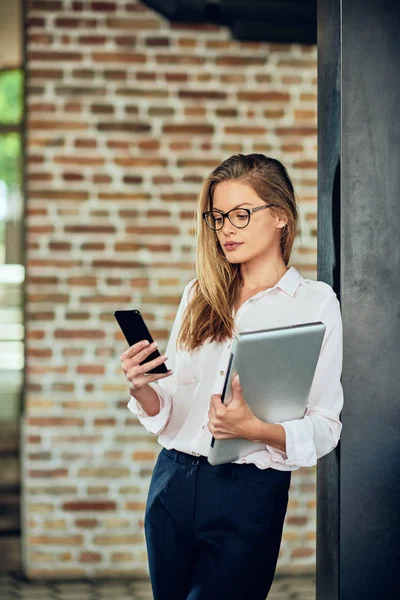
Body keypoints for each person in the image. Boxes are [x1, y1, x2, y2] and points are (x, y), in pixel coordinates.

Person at [120, 154, 343, 600]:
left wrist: (253, 430)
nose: (227, 228)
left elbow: (326, 427)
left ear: (280, 216)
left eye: (242, 214)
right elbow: (169, 410)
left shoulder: (315, 304)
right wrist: (143, 388)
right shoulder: (200, 294)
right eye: (218, 216)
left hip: (249, 494)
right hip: (172, 484)